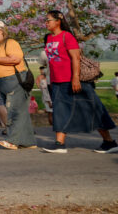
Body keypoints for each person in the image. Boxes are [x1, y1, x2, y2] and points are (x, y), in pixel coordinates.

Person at [41, 10, 117, 154]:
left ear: (58, 21)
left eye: (48, 20)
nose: (46, 22)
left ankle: (109, 142)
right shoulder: (49, 38)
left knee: (92, 109)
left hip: (72, 80)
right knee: (60, 111)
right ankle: (59, 143)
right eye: (45, 20)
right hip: (57, 81)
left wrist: (75, 78)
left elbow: (76, 58)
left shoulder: (67, 36)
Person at [0, 19, 35, 150]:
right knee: (19, 111)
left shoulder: (10, 43)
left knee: (14, 111)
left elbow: (15, 59)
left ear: (2, 31)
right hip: (3, 81)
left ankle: (13, 140)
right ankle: (27, 141)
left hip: (15, 80)